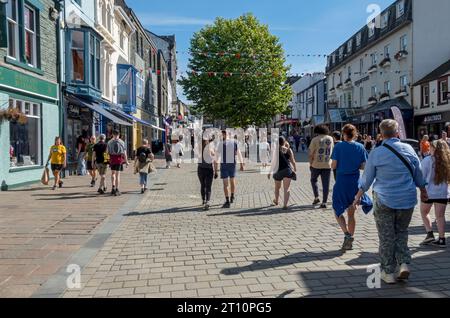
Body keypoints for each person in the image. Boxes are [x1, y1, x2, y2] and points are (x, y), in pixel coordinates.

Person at [354, 119, 428, 284]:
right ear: (397, 133)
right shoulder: (409, 149)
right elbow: (419, 174)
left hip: (384, 198)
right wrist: (423, 190)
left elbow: (367, 178)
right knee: (401, 231)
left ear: (381, 134)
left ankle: (388, 272)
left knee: (386, 236)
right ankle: (403, 263)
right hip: (407, 198)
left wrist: (359, 195)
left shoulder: (376, 152)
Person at [331, 125, 373, 251]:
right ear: (354, 134)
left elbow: (333, 166)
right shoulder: (360, 147)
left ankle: (347, 235)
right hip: (354, 181)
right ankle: (350, 237)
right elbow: (364, 166)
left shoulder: (338, 146)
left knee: (337, 209)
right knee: (351, 211)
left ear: (344, 134)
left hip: (341, 181)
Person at [420, 140, 450, 248]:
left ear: (434, 149)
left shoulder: (427, 160)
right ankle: (442, 239)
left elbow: (421, 176)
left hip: (429, 192)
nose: (429, 149)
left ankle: (430, 233)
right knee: (440, 216)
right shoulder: (448, 161)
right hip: (443, 192)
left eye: (431, 147)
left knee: (424, 213)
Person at [217, 130, 245, 208]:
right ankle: (232, 196)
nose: (221, 136)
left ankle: (227, 201)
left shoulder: (221, 144)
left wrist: (215, 165)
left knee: (225, 184)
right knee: (232, 180)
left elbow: (217, 156)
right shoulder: (234, 142)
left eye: (222, 135)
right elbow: (239, 153)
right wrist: (241, 164)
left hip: (224, 165)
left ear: (225, 135)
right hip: (232, 164)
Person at [269, 137, 297, 210]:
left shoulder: (275, 150)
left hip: (277, 171)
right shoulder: (288, 150)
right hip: (287, 170)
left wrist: (269, 172)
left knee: (277, 187)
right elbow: (293, 160)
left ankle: (276, 201)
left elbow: (273, 162)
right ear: (284, 142)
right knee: (286, 188)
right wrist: (295, 168)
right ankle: (285, 205)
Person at [309, 125, 333, 209]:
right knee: (326, 184)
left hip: (316, 164)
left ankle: (316, 197)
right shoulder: (330, 139)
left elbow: (311, 153)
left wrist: (310, 163)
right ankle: (324, 202)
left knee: (313, 179)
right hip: (327, 164)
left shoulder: (315, 139)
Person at [197, 137, 219, 211]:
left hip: (200, 169)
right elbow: (215, 161)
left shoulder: (199, 149)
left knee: (202, 185)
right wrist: (216, 172)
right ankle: (207, 201)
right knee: (208, 186)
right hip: (209, 170)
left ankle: (203, 200)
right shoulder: (211, 149)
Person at [107, 130, 128, 196]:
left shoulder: (109, 142)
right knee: (117, 175)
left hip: (112, 159)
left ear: (112, 134)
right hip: (119, 159)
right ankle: (117, 189)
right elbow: (124, 153)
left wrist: (106, 160)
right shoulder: (121, 142)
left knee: (113, 173)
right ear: (119, 135)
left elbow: (106, 152)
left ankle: (113, 187)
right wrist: (126, 161)